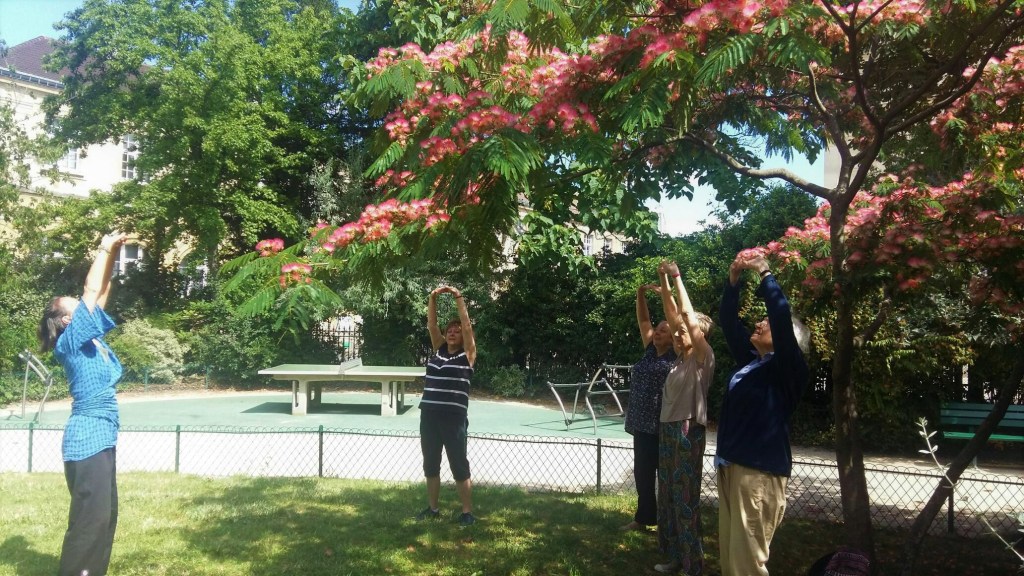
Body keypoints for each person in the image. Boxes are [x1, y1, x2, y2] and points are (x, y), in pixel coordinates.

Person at [38, 233, 128, 576]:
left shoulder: (89, 339)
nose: (83, 304)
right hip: (87, 437)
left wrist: (114, 255)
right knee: (90, 520)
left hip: (101, 434)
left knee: (105, 516)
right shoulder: (72, 342)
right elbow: (91, 291)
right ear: (66, 320)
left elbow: (100, 292)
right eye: (75, 305)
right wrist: (104, 246)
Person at [716, 251, 810, 576]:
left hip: (758, 472)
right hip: (732, 465)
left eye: (765, 323)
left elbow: (780, 318)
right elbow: (729, 324)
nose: (758, 323)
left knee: (747, 563)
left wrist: (765, 273)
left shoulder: (788, 370)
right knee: (732, 560)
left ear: (788, 340)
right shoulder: (753, 364)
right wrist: (733, 281)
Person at [654, 260, 715, 574]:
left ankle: (693, 565)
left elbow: (687, 318)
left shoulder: (701, 359)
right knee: (667, 495)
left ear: (699, 335)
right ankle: (676, 557)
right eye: (675, 332)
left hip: (687, 430)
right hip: (668, 428)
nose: (677, 335)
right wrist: (663, 280)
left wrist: (677, 277)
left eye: (683, 332)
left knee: (685, 497)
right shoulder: (680, 360)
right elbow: (673, 314)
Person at [416, 285, 478, 527]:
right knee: (430, 464)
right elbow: (431, 325)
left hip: (453, 418)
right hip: (429, 415)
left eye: (456, 331)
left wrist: (457, 296)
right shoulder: (439, 350)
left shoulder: (467, 355)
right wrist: (432, 297)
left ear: (463, 336)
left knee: (459, 465)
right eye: (449, 330)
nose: (452, 333)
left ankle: (467, 512)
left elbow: (468, 326)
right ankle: (433, 509)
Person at [621, 281, 677, 531]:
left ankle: (668, 522)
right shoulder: (649, 350)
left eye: (664, 330)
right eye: (658, 329)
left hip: (663, 424)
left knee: (666, 476)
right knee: (643, 474)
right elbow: (644, 320)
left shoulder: (677, 356)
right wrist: (640, 294)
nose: (657, 332)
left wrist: (667, 294)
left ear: (674, 338)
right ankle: (643, 518)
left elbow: (677, 319)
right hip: (642, 424)